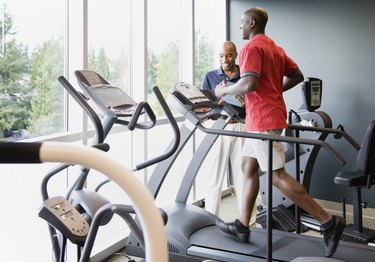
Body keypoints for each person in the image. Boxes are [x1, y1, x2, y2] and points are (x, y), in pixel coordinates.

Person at [214, 7, 345, 258]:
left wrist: (223, 91)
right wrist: (272, 90)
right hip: (259, 117)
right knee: (247, 166)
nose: (240, 27)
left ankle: (328, 222)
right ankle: (242, 225)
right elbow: (296, 75)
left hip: (263, 119)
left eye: (242, 23)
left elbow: (249, 82)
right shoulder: (274, 48)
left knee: (276, 176)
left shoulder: (251, 48)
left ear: (252, 23)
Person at [200, 41, 246, 217]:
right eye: (221, 56)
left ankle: (247, 223)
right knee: (214, 177)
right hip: (219, 127)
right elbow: (204, 103)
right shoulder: (210, 76)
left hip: (240, 126)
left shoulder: (245, 76)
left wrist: (243, 101)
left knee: (243, 177)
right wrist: (212, 105)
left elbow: (253, 102)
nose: (224, 59)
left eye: (228, 55)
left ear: (235, 55)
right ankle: (210, 220)